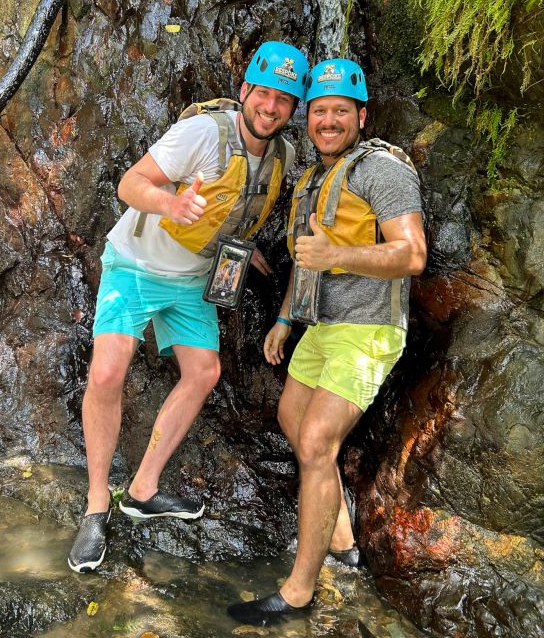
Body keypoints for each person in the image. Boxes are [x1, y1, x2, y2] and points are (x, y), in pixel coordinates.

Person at [68, 41, 309, 573]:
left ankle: (143, 488)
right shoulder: (203, 133)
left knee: (204, 372)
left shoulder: (285, 157)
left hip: (194, 277)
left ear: (295, 109)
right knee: (108, 371)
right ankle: (96, 506)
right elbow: (130, 182)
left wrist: (252, 254)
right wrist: (169, 203)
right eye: (263, 94)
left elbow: (238, 210)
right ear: (245, 91)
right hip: (134, 265)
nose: (270, 107)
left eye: (284, 100)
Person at [227, 58, 427, 625]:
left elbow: (412, 255)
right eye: (319, 112)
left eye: (341, 111)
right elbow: (308, 260)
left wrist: (337, 255)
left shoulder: (382, 171)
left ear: (361, 116)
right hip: (319, 326)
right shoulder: (313, 176)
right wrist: (286, 319)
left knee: (316, 442)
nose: (329, 121)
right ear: (306, 119)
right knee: (293, 418)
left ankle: (297, 592)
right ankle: (342, 540)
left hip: (368, 330)